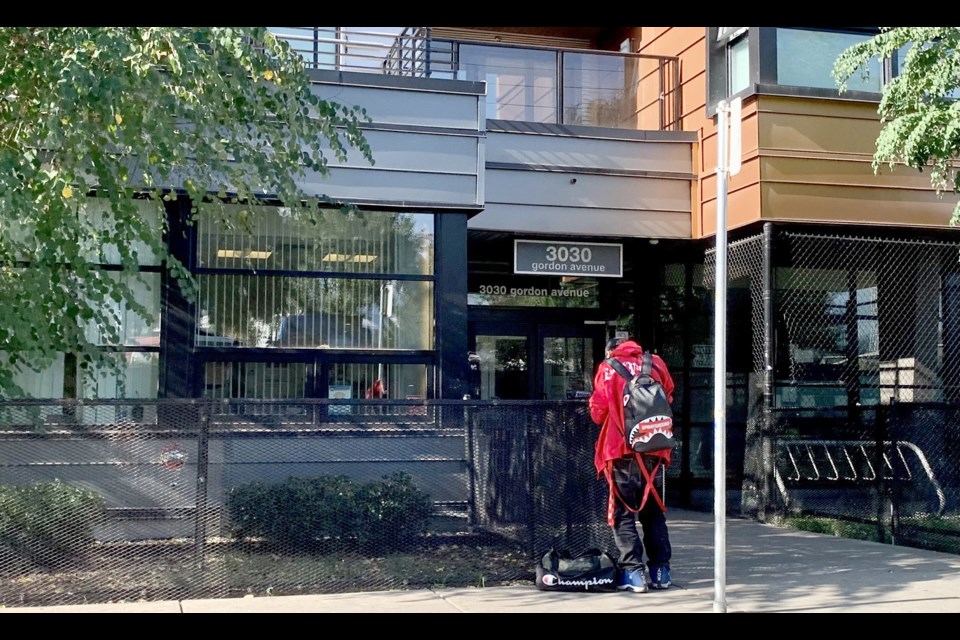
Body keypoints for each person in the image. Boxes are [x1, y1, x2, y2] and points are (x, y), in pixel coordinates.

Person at [588, 336, 676, 593]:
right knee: (653, 512)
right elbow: (668, 399)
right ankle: (661, 572)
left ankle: (633, 573)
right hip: (655, 450)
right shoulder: (656, 363)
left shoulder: (608, 368)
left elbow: (598, 413)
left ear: (610, 350)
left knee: (623, 514)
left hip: (620, 452)